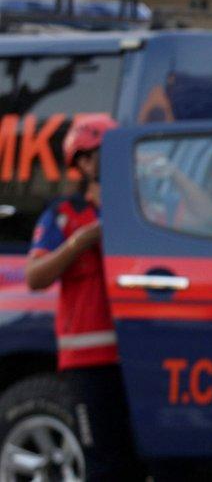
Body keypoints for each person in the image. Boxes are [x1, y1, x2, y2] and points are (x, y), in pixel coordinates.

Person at [25, 114, 143, 481]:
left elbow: (208, 216)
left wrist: (172, 175)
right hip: (88, 361)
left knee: (138, 461)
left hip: (138, 355)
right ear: (82, 162)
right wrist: (80, 243)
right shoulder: (64, 215)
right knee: (101, 462)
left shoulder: (139, 210)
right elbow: (35, 277)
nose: (110, 159)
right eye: (101, 152)